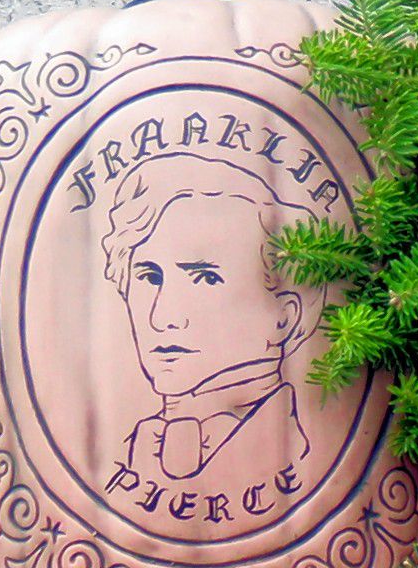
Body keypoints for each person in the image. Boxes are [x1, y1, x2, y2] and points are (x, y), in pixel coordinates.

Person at [96, 150, 320, 512]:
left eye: (204, 278)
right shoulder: (132, 452)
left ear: (283, 318)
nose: (162, 316)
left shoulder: (293, 461)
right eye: (149, 277)